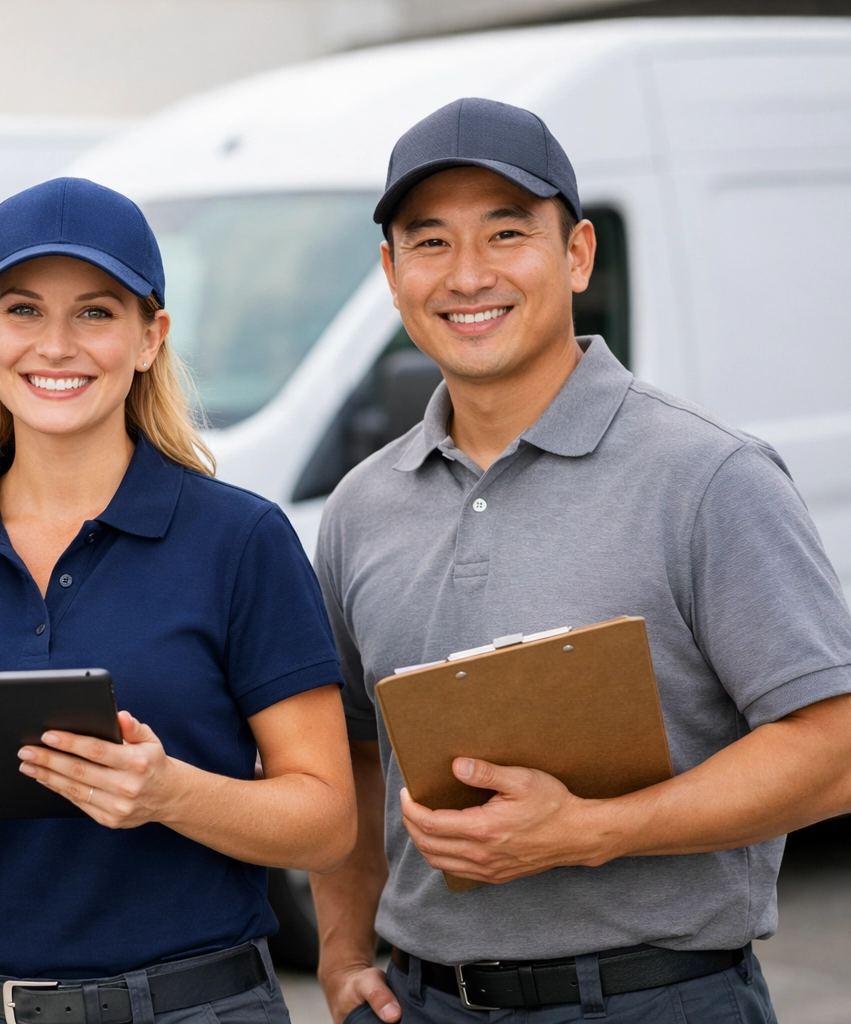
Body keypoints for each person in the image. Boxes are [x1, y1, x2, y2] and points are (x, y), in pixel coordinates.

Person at [312, 96, 851, 1024]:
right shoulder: (363, 505)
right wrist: (341, 947)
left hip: (658, 1001)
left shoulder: (708, 475)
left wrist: (592, 831)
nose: (468, 275)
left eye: (507, 233)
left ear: (578, 255)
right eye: (430, 242)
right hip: (421, 1001)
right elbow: (356, 751)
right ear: (392, 273)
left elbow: (835, 749)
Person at [0, 176, 356, 1022]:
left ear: (151, 337)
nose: (57, 345)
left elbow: (326, 822)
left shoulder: (240, 543)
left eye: (98, 313)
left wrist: (169, 793)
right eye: (24, 310)